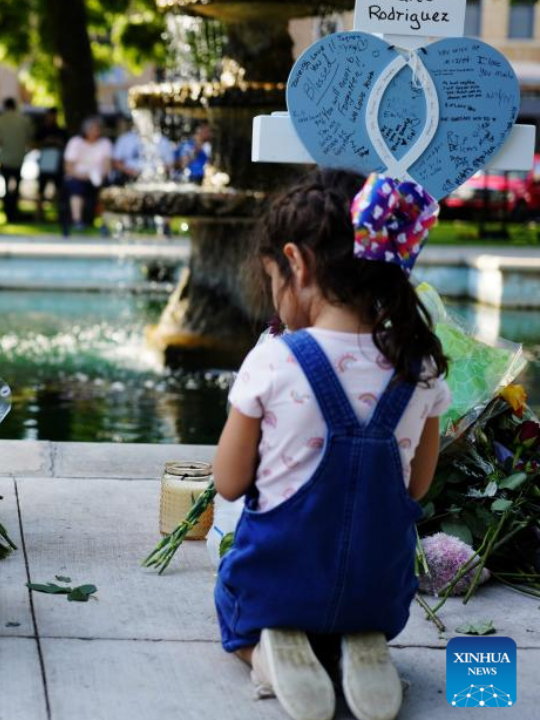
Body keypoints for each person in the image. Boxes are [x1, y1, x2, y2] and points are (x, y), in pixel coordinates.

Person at [213, 171, 451, 720]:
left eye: (273, 277)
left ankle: (263, 652)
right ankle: (358, 643)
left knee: (229, 583)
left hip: (277, 586)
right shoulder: (422, 368)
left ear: (296, 263)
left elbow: (227, 482)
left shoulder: (274, 359)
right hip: (378, 595)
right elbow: (416, 487)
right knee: (362, 569)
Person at [0, 98, 33, 223]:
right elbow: (30, 136)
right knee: (15, 186)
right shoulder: (24, 120)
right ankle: (13, 212)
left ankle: (7, 211)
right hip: (18, 157)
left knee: (5, 185)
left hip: (4, 158)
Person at [61, 116, 113, 234]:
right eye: (93, 129)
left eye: (98, 129)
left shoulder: (105, 143)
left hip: (98, 177)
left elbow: (107, 165)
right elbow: (68, 167)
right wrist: (82, 176)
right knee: (76, 188)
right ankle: (77, 220)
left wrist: (101, 176)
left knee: (107, 190)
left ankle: (105, 223)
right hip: (77, 176)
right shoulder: (75, 142)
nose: (96, 132)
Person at [34, 108, 66, 222]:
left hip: (57, 164)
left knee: (58, 191)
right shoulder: (42, 130)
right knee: (41, 191)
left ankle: (59, 215)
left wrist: (58, 143)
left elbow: (65, 146)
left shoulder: (61, 131)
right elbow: (34, 144)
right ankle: (38, 215)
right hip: (44, 163)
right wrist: (45, 142)